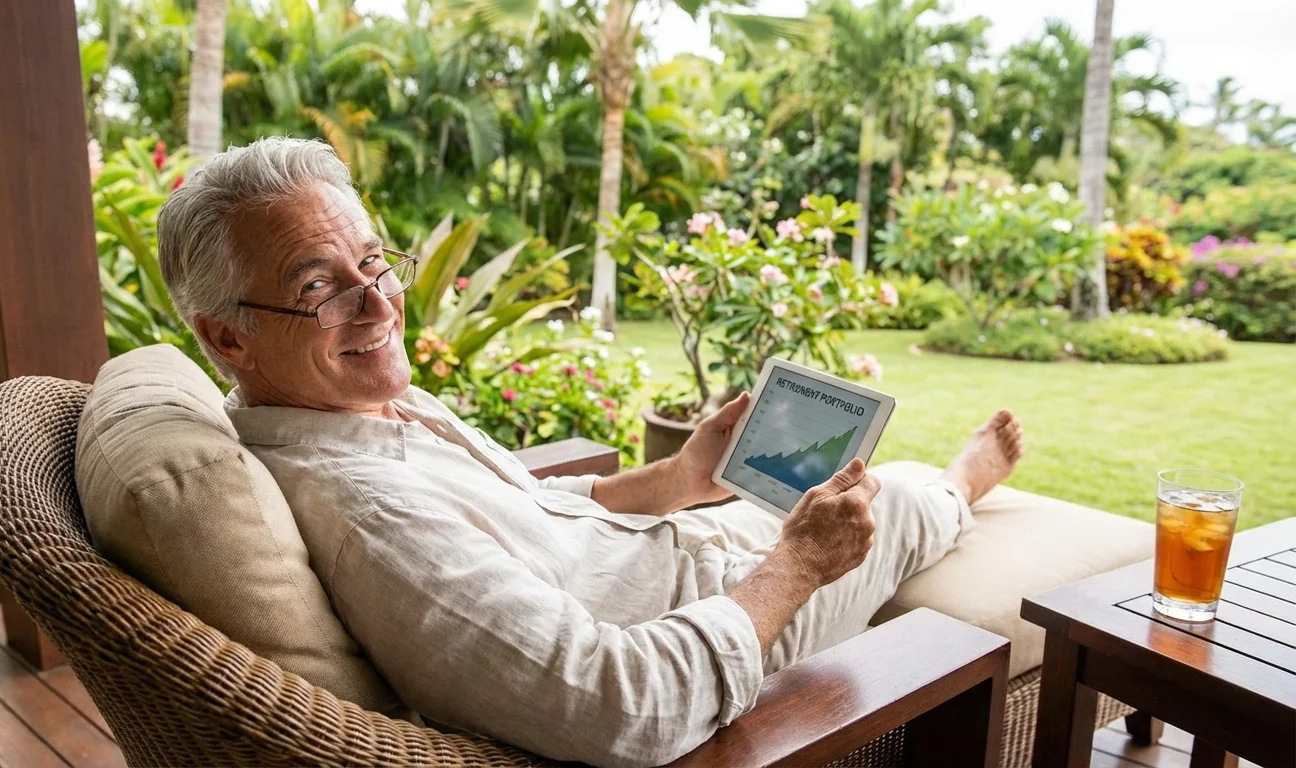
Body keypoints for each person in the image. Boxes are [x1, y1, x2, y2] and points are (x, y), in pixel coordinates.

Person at [156, 137, 1025, 767]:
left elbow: (535, 516)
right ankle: (960, 485)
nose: (379, 305)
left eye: (375, 263)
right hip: (709, 624)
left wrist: (679, 478)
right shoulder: (368, 516)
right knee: (893, 500)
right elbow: (622, 705)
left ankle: (878, 496)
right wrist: (797, 566)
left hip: (672, 560)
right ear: (228, 338)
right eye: (319, 287)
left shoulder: (366, 406)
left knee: (811, 488)